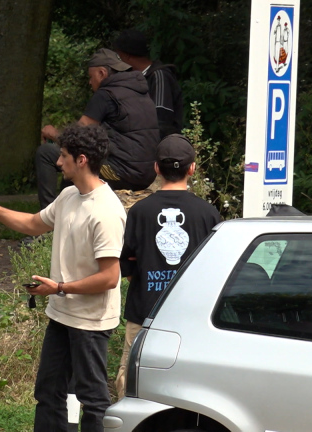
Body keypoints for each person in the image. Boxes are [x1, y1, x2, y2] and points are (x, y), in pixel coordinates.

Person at [0, 124, 126, 432]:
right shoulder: (68, 196)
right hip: (62, 314)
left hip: (90, 321)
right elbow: (33, 224)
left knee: (92, 399)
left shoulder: (106, 211)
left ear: (81, 160)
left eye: (63, 156)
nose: (58, 162)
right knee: (48, 392)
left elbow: (109, 278)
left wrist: (59, 288)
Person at [115, 134, 220, 399]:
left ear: (156, 169)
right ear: (192, 169)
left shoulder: (139, 212)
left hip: (143, 315)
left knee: (131, 385)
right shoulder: (208, 214)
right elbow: (215, 270)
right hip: (192, 321)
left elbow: (125, 263)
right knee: (190, 391)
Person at [36, 48, 160, 210]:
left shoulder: (106, 94)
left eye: (91, 77)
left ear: (102, 73)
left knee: (47, 153)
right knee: (77, 160)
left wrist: (53, 133)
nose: (89, 82)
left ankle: (49, 221)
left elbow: (77, 138)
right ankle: (66, 214)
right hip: (148, 173)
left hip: (121, 172)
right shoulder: (141, 93)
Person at [112, 28, 184, 139]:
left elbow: (162, 121)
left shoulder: (159, 76)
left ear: (127, 56)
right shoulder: (135, 78)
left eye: (119, 56)